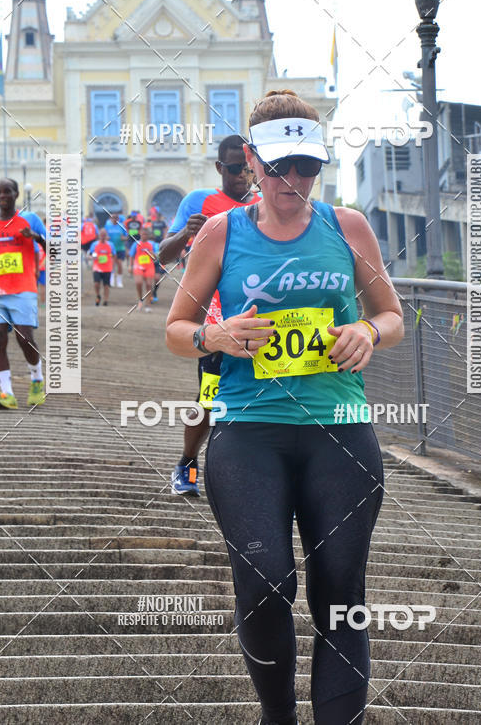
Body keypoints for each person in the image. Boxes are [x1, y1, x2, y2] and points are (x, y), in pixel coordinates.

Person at [165, 90, 404, 725]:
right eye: (279, 167)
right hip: (248, 432)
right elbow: (175, 327)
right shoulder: (222, 232)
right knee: (266, 581)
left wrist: (369, 333)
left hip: (340, 432)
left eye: (308, 166)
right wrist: (213, 337)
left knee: (340, 596)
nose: (294, 180)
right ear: (251, 160)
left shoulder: (346, 226)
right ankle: (278, 717)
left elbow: (391, 314)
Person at [159, 133, 259, 496]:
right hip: (214, 318)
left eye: (248, 170)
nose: (242, 177)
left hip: (259, 315)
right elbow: (162, 256)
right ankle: (187, 462)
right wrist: (186, 234)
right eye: (234, 170)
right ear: (219, 167)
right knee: (209, 399)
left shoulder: (267, 204)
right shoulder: (199, 202)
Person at [0, 178, 47, 410]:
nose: (2, 195)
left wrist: (35, 238)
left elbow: (54, 249)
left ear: (16, 194)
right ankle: (7, 393)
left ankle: (37, 379)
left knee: (24, 337)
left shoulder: (31, 220)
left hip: (23, 289)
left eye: (7, 191)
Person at [130, 226, 159, 312]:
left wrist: (152, 253)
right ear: (140, 234)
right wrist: (130, 266)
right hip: (138, 265)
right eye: (143, 234)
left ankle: (148, 304)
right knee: (138, 282)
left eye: (146, 234)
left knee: (149, 285)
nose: (144, 236)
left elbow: (156, 257)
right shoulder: (136, 243)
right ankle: (140, 300)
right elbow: (131, 255)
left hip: (149, 266)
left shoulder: (152, 244)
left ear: (148, 235)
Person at [89, 228, 116, 306]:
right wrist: (92, 257)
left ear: (106, 236)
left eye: (104, 235)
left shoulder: (110, 244)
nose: (103, 237)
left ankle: (106, 300)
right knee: (96, 284)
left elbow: (114, 255)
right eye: (101, 235)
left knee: (106, 285)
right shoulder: (94, 244)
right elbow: (90, 254)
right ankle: (98, 295)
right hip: (97, 267)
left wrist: (112, 264)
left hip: (107, 267)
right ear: (99, 236)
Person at [104, 212, 126, 288]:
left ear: (118, 219)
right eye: (113, 218)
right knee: (112, 264)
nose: (114, 219)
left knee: (119, 264)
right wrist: (106, 238)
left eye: (116, 218)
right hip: (111, 249)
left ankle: (119, 281)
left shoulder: (122, 226)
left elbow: (126, 236)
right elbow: (104, 235)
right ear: (110, 219)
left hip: (120, 248)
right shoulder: (107, 226)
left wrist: (123, 238)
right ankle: (112, 280)